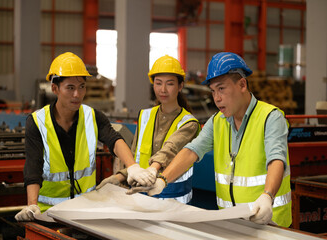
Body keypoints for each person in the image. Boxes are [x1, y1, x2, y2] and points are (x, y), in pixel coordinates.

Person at [129, 52, 292, 227]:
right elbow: (191, 151)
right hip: (232, 223)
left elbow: (276, 160)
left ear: (242, 84)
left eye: (222, 89)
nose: (217, 98)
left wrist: (268, 196)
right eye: (213, 91)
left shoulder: (270, 117)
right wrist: (162, 180)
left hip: (268, 221)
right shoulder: (217, 121)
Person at [15, 52, 155, 221]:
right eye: (70, 88)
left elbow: (115, 140)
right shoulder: (37, 122)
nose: (77, 94)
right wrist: (32, 205)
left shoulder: (92, 117)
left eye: (81, 86)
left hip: (86, 209)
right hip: (49, 213)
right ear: (55, 88)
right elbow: (33, 168)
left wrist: (132, 166)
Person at [96, 55, 200, 203]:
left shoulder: (188, 123)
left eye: (170, 84)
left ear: (180, 86)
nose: (163, 89)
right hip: (142, 198)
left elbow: (170, 149)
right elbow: (136, 161)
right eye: (158, 83)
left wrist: (153, 169)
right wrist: (118, 177)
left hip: (174, 201)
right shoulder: (145, 116)